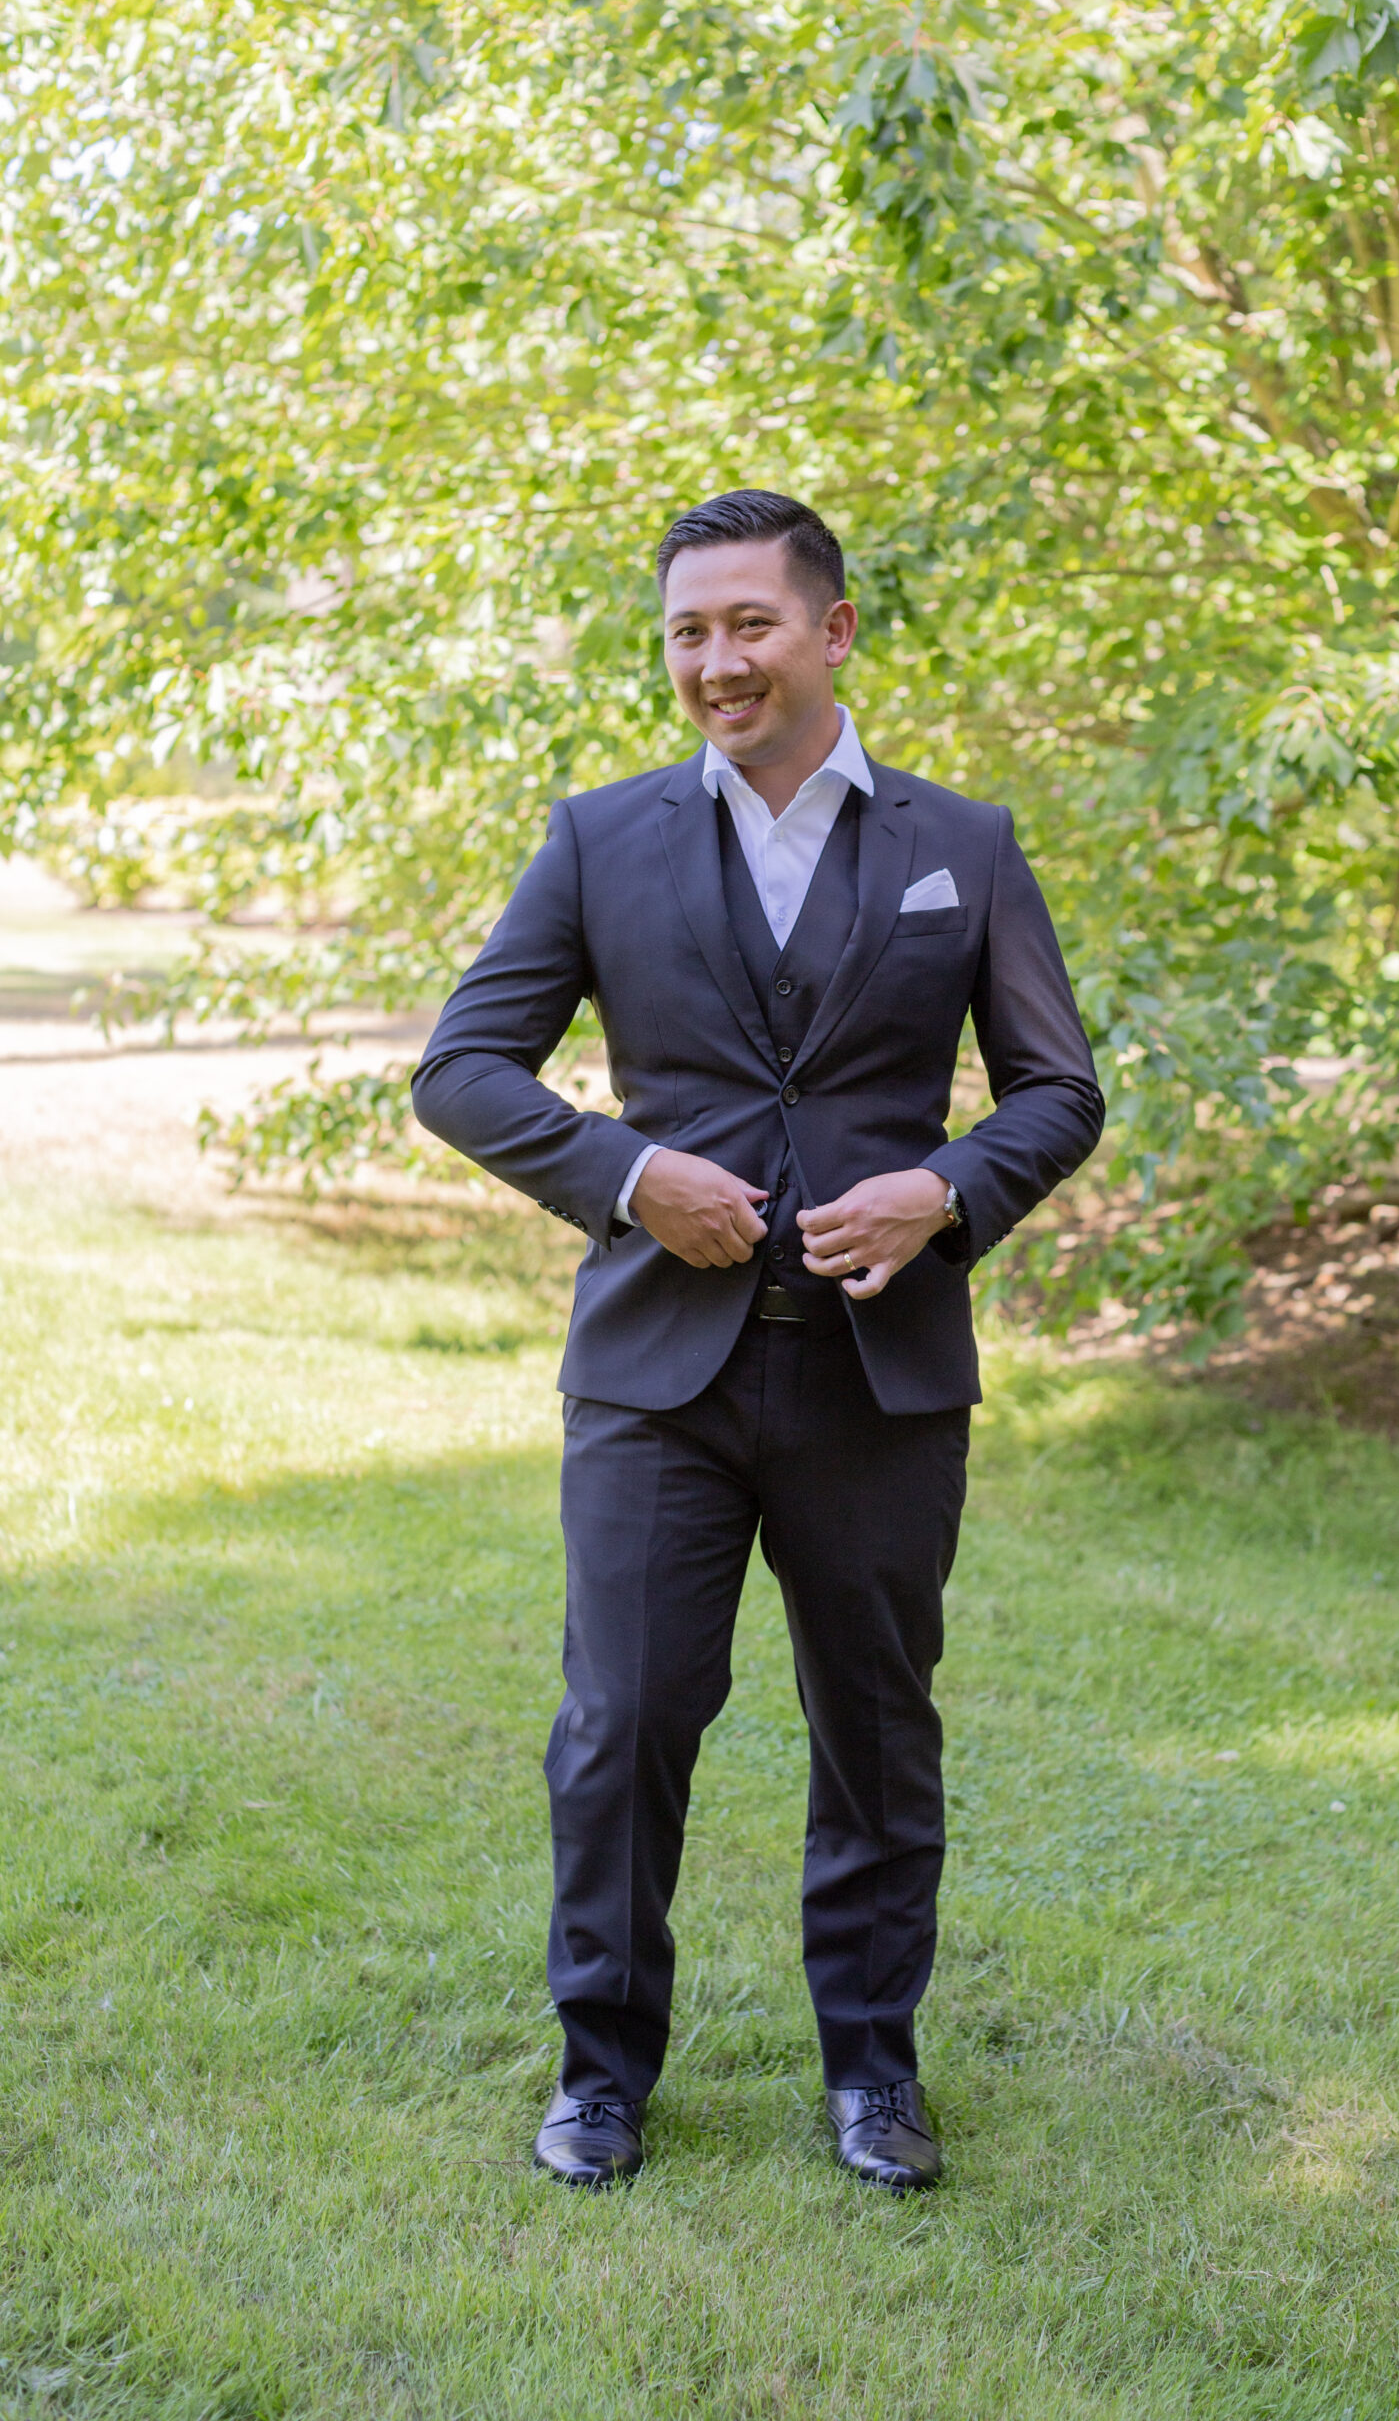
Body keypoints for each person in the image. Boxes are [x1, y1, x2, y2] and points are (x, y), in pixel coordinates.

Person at [412, 489, 1104, 2191]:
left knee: (876, 1730)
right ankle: (601, 2075)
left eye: (749, 626)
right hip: (659, 1377)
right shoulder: (600, 839)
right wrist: (631, 1174)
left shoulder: (968, 845)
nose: (715, 662)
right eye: (686, 632)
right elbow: (463, 1069)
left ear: (834, 632)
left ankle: (875, 2075)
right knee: (623, 1725)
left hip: (883, 1375)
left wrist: (941, 1194)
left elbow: (1062, 1092)